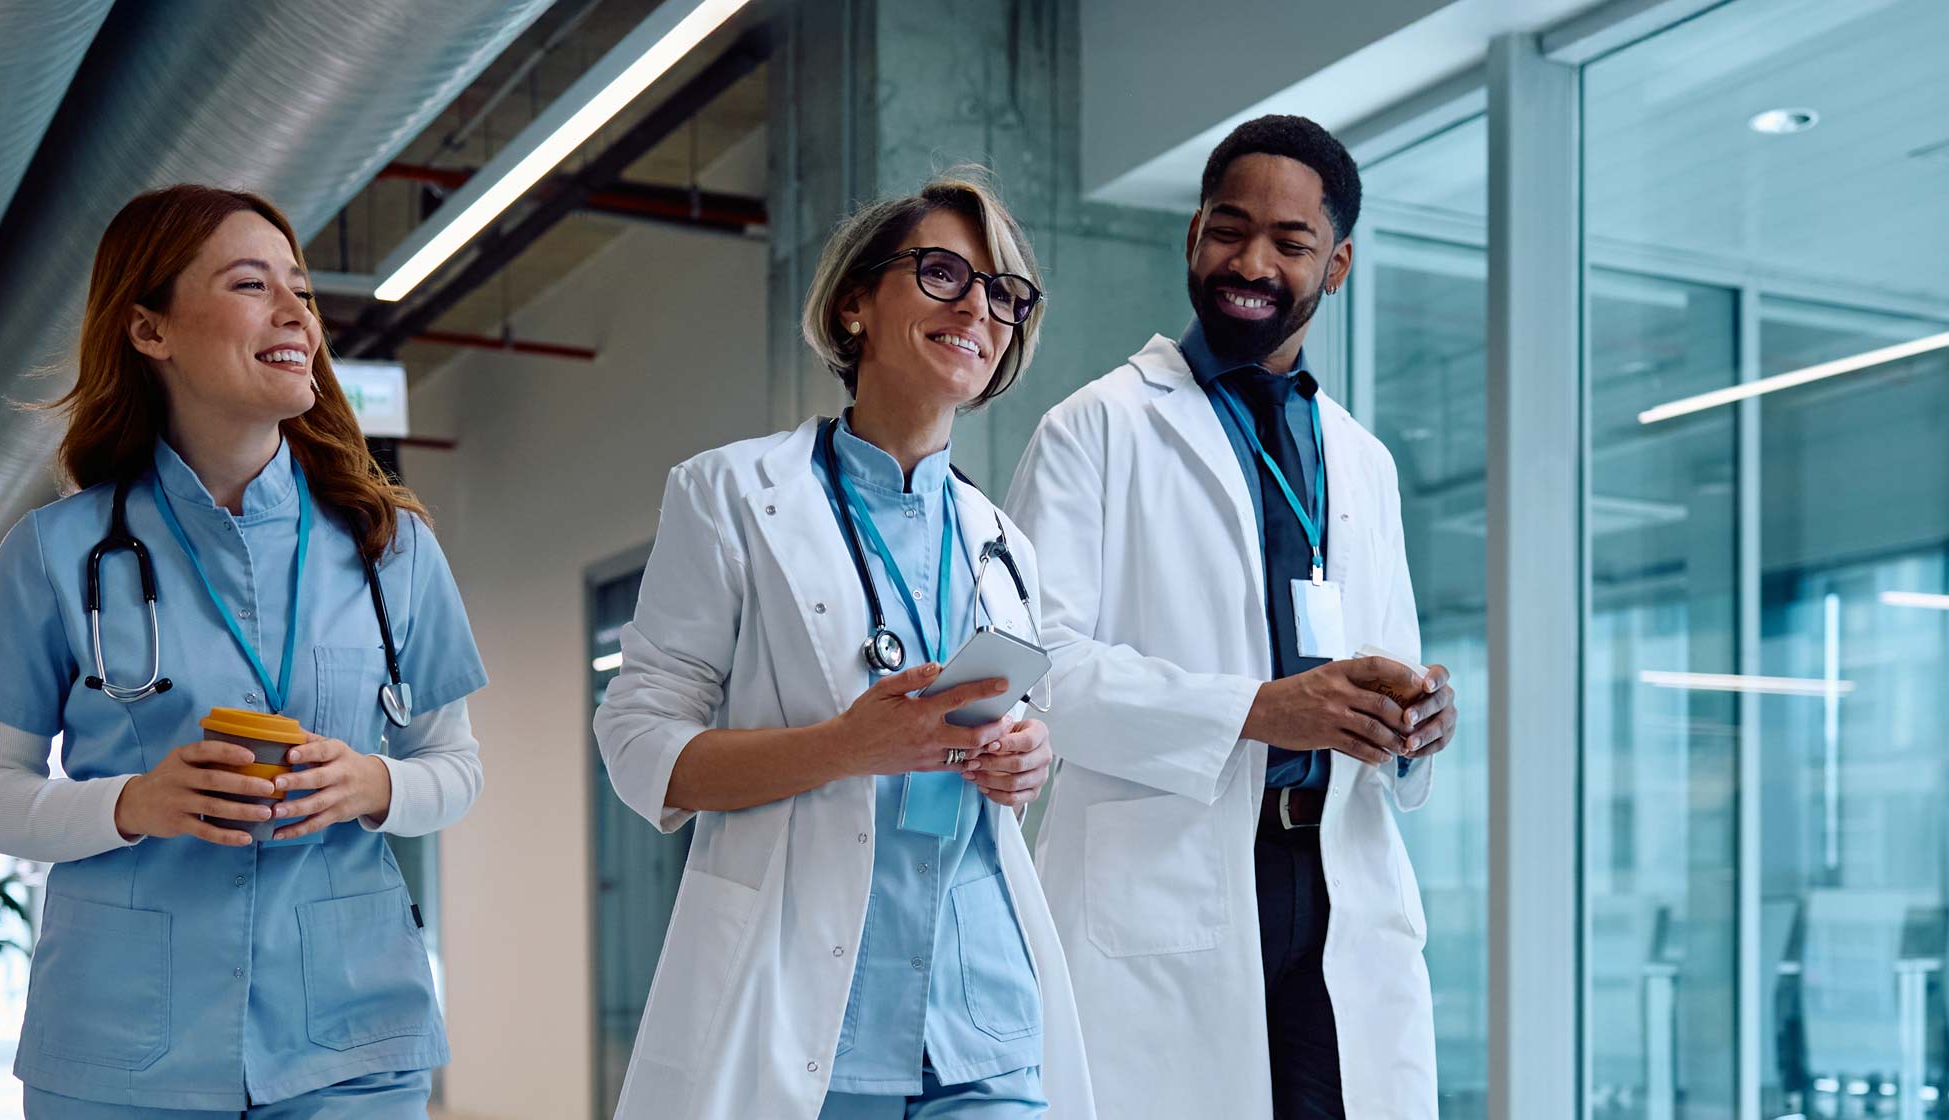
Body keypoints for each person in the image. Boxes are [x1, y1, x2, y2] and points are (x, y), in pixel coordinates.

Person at [0, 184, 488, 1119]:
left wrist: (375, 785)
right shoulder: (55, 554)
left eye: (303, 292)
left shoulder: (389, 547)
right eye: (250, 284)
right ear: (149, 330)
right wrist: (133, 803)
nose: (295, 315)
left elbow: (458, 765)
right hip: (122, 1051)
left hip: (352, 1043)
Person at [593, 170, 1094, 1120]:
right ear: (856, 302)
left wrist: (1025, 757)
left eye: (1004, 293)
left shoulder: (1001, 542)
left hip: (984, 1019)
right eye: (944, 273)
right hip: (814, 1026)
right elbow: (637, 745)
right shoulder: (732, 496)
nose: (979, 309)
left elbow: (1002, 733)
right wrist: (844, 748)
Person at [1004, 116, 1458, 1118]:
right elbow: (1037, 676)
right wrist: (1256, 709)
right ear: (1191, 236)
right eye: (1227, 227)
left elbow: (1388, 664)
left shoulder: (1361, 460)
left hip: (1336, 881)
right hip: (1169, 877)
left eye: (1289, 243)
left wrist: (1417, 726)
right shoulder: (1095, 428)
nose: (1250, 261)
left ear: (1334, 266)